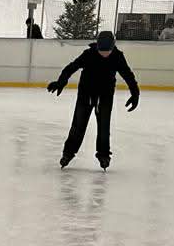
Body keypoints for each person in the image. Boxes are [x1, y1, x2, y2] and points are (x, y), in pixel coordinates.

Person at [47, 27, 140, 170]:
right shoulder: (89, 54)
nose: (104, 54)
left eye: (107, 51)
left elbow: (128, 75)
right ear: (97, 46)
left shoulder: (117, 56)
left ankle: (104, 155)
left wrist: (135, 93)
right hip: (86, 94)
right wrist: (61, 82)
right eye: (101, 51)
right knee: (78, 125)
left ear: (113, 47)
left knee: (104, 126)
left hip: (105, 96)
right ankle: (68, 153)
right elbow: (71, 67)